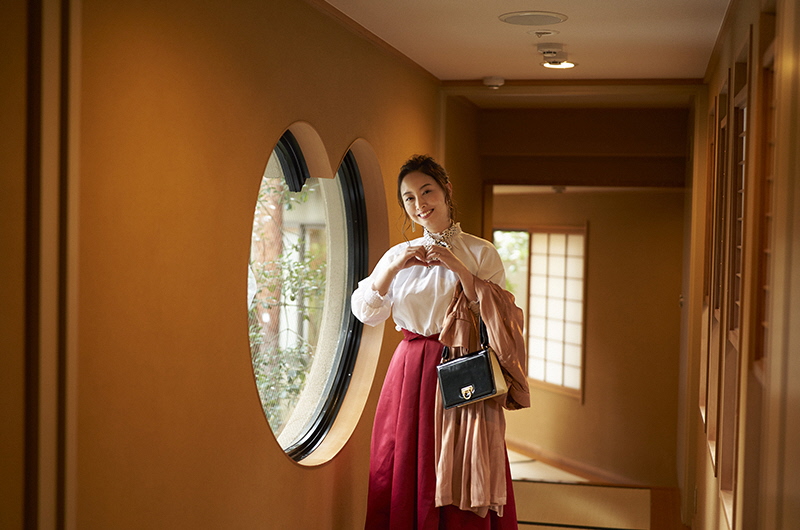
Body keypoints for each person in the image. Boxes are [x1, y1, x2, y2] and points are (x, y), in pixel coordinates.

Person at [351, 154, 528, 530]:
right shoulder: (399, 256)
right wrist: (389, 270)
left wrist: (459, 268)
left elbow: (497, 317)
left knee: (463, 464)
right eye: (409, 198)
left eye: (426, 191)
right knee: (398, 463)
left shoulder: (480, 252)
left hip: (463, 370)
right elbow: (367, 312)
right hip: (410, 371)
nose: (420, 204)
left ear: (446, 190)